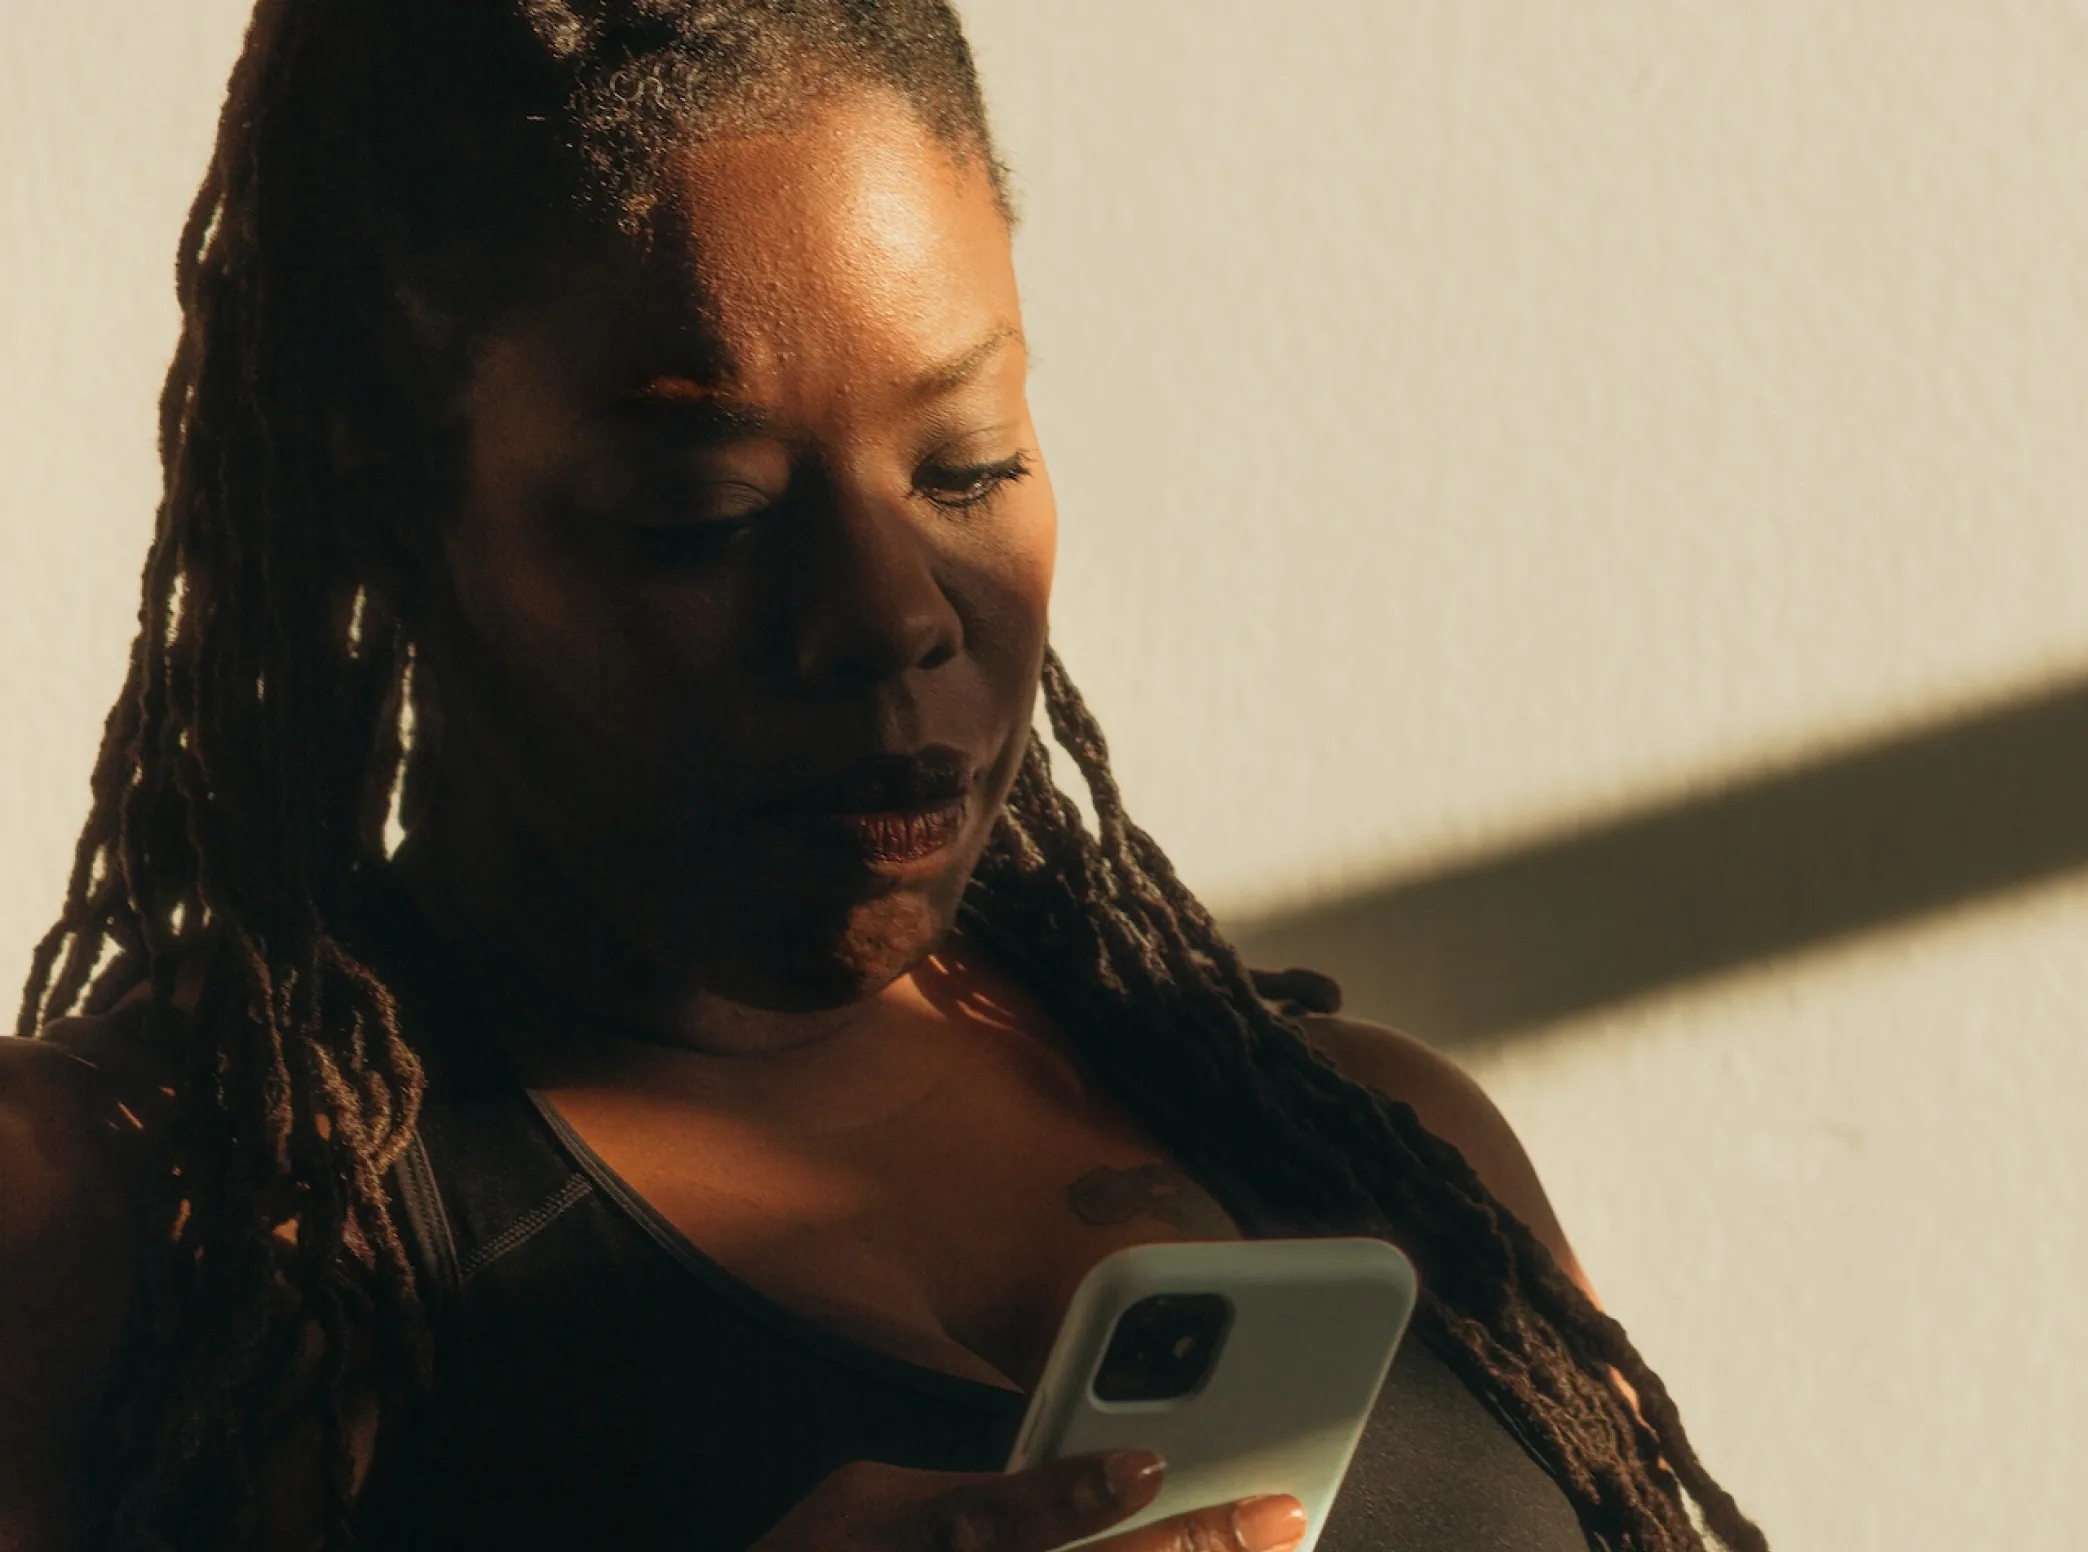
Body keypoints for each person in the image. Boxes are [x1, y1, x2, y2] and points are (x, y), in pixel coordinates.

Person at [0, 4, 1764, 1549]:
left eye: (970, 465)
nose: (890, 613)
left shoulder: (1392, 1149)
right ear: (380, 505)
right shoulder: (140, 1211)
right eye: (705, 514)